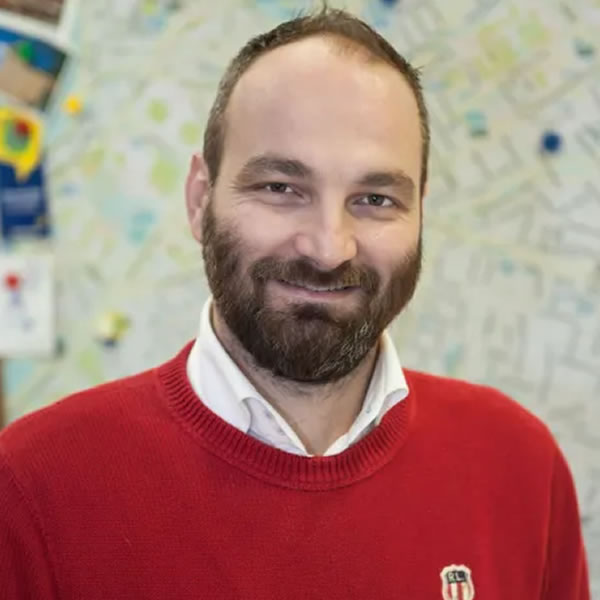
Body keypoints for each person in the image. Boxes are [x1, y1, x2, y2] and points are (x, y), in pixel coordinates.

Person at [0, 7, 590, 599]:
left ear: (420, 213)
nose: (330, 247)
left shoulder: (519, 466)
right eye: (281, 188)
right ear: (200, 200)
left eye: (376, 199)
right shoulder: (29, 489)